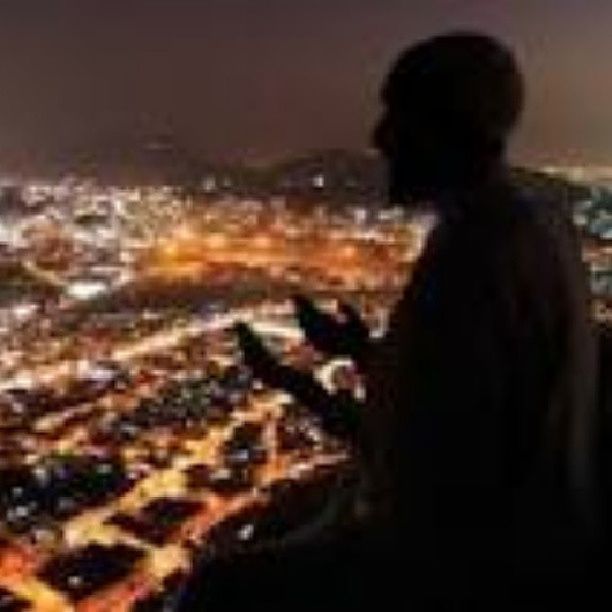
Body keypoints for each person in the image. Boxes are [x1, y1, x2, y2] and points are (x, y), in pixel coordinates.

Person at [181, 32, 603, 609]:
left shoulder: (474, 254)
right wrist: (358, 353)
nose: (378, 137)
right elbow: (463, 403)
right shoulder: (534, 225)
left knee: (215, 590)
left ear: (447, 126)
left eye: (397, 114)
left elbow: (426, 469)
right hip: (531, 546)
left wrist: (299, 384)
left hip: (473, 572)